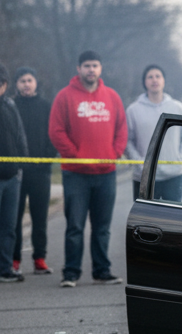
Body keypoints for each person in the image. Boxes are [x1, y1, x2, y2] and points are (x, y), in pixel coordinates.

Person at [48, 50, 127, 287]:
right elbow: (56, 131)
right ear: (79, 69)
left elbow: (121, 128)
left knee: (102, 227)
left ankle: (102, 271)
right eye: (87, 66)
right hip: (76, 175)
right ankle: (71, 273)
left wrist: (114, 153)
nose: (91, 70)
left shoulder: (112, 96)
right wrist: (76, 155)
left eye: (94, 65)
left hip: (106, 174)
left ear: (100, 69)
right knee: (75, 226)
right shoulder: (64, 96)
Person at [125, 65, 182, 202]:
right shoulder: (133, 110)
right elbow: (128, 140)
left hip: (174, 176)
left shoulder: (177, 107)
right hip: (144, 177)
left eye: (158, 76)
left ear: (164, 80)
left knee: (172, 214)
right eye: (150, 77)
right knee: (146, 215)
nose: (154, 80)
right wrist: (138, 162)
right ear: (144, 82)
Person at [12, 67, 56, 274]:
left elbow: (53, 135)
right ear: (16, 84)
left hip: (41, 172)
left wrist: (46, 160)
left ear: (36, 82)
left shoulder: (46, 106)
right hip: (17, 172)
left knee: (40, 217)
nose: (26, 84)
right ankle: (14, 259)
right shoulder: (10, 106)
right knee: (14, 218)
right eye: (22, 81)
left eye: (29, 80)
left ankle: (39, 258)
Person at [0, 65, 29, 284]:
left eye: (1, 82)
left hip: (12, 176)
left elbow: (20, 135)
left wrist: (22, 164)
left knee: (9, 227)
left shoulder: (10, 105)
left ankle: (5, 268)